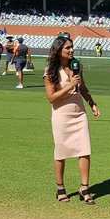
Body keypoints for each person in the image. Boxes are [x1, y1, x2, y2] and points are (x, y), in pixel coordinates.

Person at [44, 36, 101, 204]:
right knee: (61, 152)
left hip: (79, 114)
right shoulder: (50, 71)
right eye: (67, 48)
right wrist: (69, 85)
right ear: (58, 50)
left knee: (85, 150)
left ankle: (84, 188)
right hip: (61, 115)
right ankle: (60, 188)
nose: (71, 50)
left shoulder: (76, 66)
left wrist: (92, 103)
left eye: (72, 47)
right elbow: (51, 98)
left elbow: (82, 87)